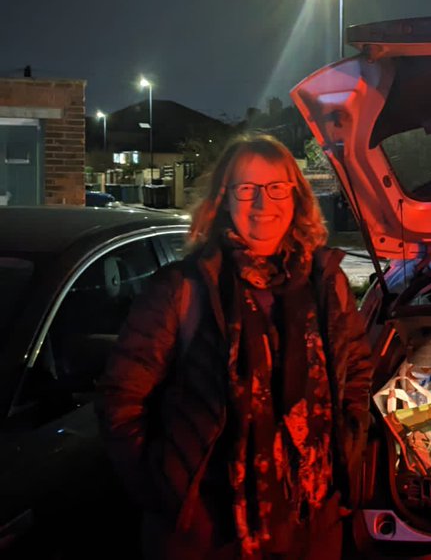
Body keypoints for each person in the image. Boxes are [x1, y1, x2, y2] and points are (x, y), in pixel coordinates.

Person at [96, 134, 374, 559]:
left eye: (276, 187)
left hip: (314, 523)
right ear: (224, 199)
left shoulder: (326, 282)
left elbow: (355, 368)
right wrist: (167, 488)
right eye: (247, 189)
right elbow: (121, 401)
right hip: (209, 536)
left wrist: (348, 443)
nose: (263, 204)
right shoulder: (182, 289)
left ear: (296, 196)